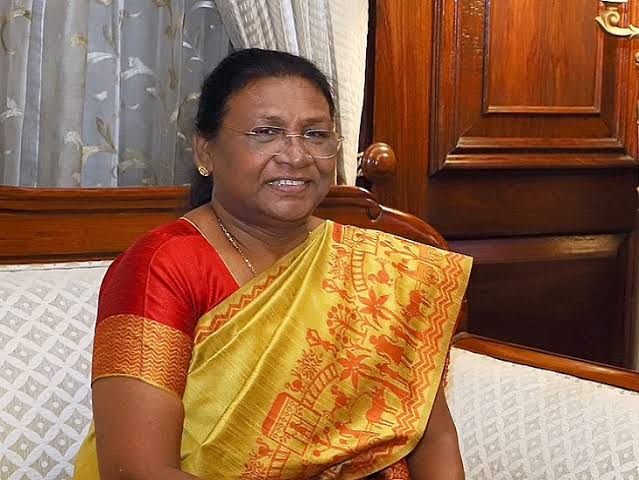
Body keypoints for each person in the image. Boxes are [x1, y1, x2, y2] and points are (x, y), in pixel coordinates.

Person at [73, 48, 472, 480]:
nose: (297, 156)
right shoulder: (160, 268)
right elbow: (136, 471)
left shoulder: (383, 271)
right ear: (205, 151)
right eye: (266, 132)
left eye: (315, 134)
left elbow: (434, 438)